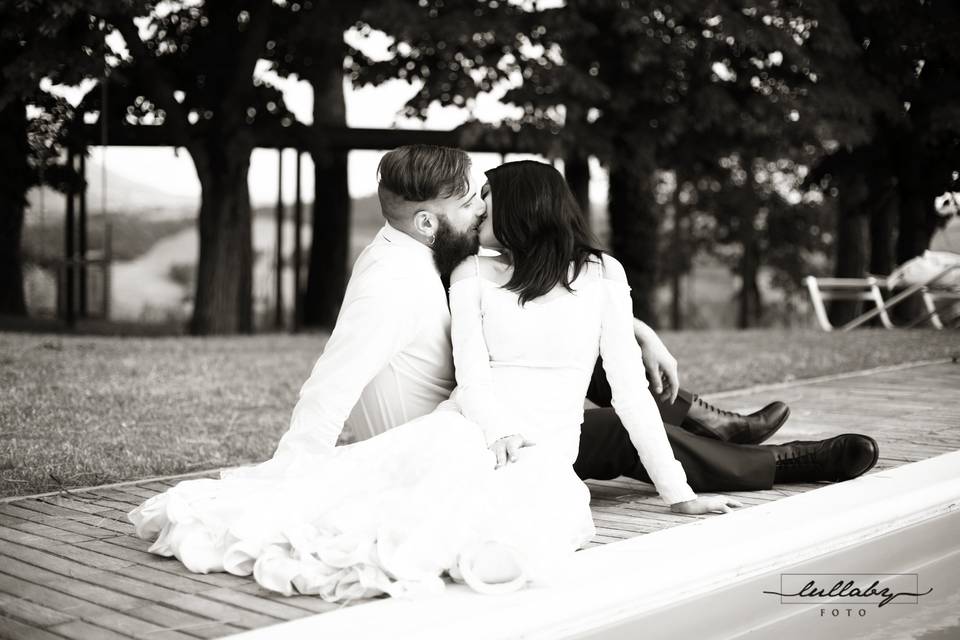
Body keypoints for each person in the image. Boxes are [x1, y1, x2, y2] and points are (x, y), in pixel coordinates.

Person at [128, 148, 879, 601]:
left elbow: (561, 293)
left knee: (610, 384)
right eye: (467, 203)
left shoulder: (456, 255)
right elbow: (339, 383)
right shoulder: (423, 275)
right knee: (613, 422)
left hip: (517, 407)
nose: (478, 211)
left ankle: (715, 427)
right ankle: (774, 460)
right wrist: (298, 469)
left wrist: (630, 319)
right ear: (433, 221)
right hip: (468, 432)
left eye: (485, 202)